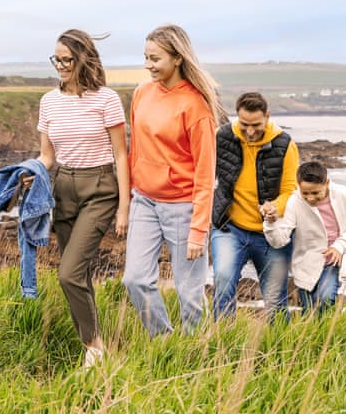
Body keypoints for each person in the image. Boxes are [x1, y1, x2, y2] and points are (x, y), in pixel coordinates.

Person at [33, 28, 130, 368]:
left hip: (100, 189)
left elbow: (121, 154)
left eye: (66, 59)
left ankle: (95, 347)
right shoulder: (48, 101)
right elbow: (47, 155)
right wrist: (30, 171)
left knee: (68, 274)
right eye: (55, 59)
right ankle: (93, 348)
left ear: (83, 58)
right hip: (63, 188)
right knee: (80, 273)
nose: (59, 65)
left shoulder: (106, 99)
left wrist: (124, 207)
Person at [122, 24, 222, 337]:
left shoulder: (196, 106)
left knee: (189, 293)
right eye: (146, 58)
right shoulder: (142, 93)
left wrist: (198, 231)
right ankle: (164, 340)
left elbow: (206, 175)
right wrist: (126, 202)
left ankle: (194, 354)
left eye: (155, 59)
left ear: (177, 58)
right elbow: (133, 150)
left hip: (183, 207)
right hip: (145, 202)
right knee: (135, 280)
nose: (148, 65)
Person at [211, 92, 299, 322]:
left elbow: (291, 190)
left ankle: (281, 354)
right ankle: (222, 345)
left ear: (267, 116)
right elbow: (205, 173)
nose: (250, 131)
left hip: (270, 233)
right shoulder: (223, 137)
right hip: (230, 227)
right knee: (222, 281)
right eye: (244, 124)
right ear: (237, 117)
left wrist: (275, 206)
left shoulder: (285, 144)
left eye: (256, 125)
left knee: (276, 300)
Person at [263, 161, 346, 315]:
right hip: (307, 264)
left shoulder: (345, 195)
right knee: (309, 311)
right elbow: (279, 240)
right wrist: (271, 223)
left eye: (315, 193)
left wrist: (339, 246)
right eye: (305, 193)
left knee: (325, 298)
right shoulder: (294, 202)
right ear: (298, 185)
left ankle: (323, 334)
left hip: (334, 261)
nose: (310, 198)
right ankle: (314, 337)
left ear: (327, 183)